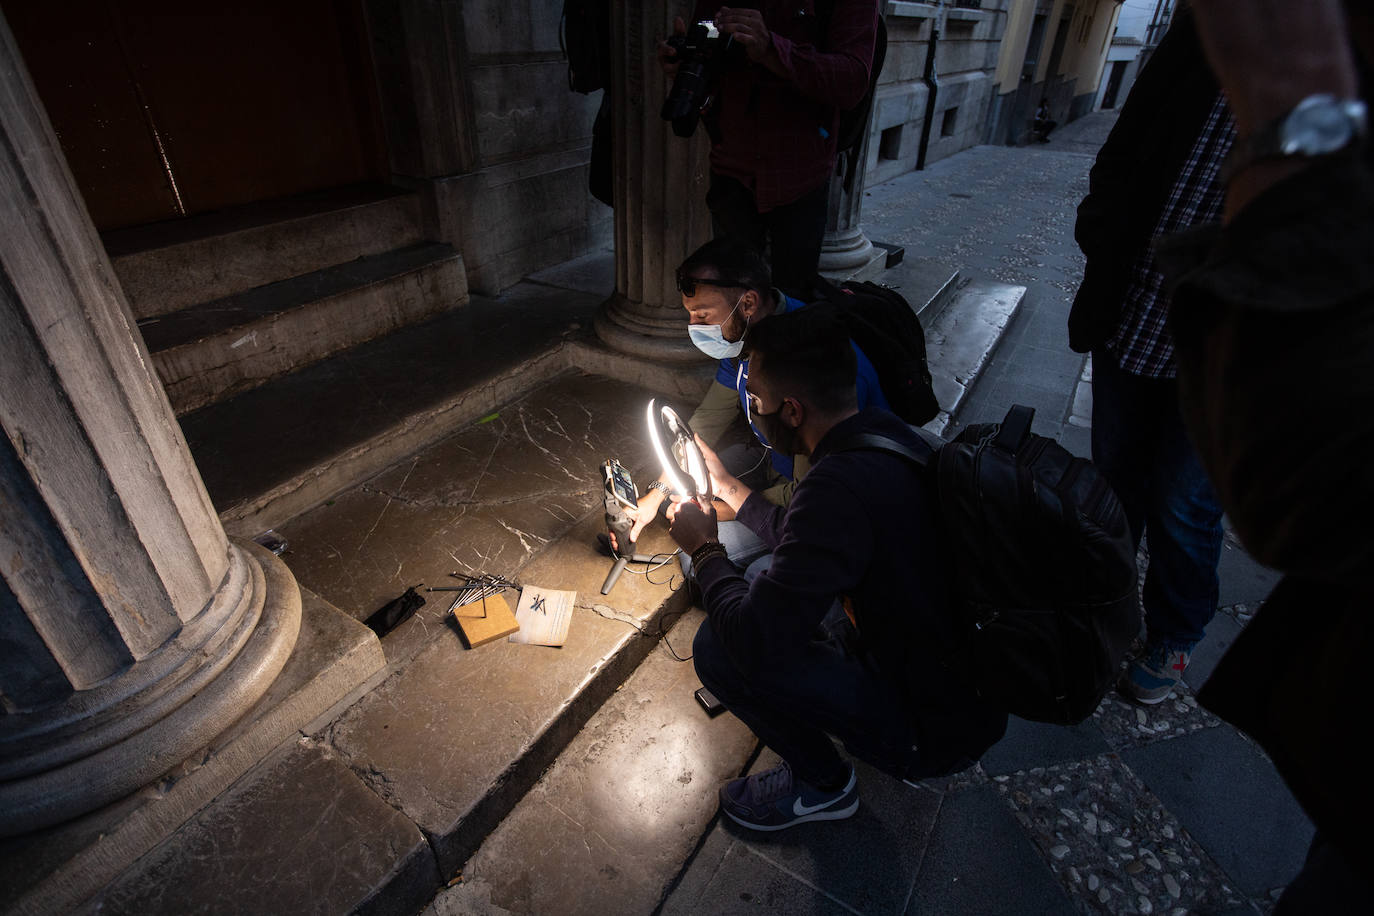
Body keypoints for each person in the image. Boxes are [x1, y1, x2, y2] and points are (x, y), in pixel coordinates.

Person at [1157, 0, 1373, 906]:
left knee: (1185, 503)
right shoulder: (1184, 56)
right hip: (1157, 314)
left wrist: (1295, 108)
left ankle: (1165, 637)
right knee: (1141, 490)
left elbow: (1301, 491)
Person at [664, 305, 1006, 831]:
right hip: (965, 687)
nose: (752, 409)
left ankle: (824, 785)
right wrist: (730, 487)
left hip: (931, 730)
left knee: (720, 646)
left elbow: (753, 638)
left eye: (755, 399)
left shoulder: (834, 487)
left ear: (793, 410)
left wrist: (706, 547)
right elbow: (810, 536)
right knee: (761, 582)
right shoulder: (882, 436)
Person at [1069, 7, 1231, 705]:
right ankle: (1104, 607)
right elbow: (1132, 138)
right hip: (1135, 303)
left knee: (1186, 501)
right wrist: (1102, 224)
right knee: (1115, 479)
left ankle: (1174, 632)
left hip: (1230, 343)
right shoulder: (1206, 26)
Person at [624, 238, 890, 567]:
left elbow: (804, 492)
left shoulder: (807, 357)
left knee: (697, 558)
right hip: (773, 458)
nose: (694, 328)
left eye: (703, 315)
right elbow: (707, 419)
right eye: (690, 315)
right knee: (675, 501)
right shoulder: (740, 338)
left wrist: (716, 509)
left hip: (822, 494)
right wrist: (655, 495)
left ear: (748, 303)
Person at [659, 3, 880, 298]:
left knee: (793, 299)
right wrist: (686, 62)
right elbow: (710, 60)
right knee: (731, 292)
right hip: (732, 167)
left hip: (800, 173)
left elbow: (852, 80)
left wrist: (772, 49)